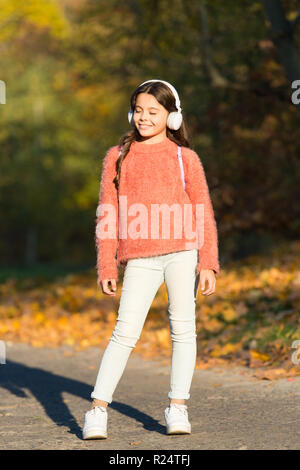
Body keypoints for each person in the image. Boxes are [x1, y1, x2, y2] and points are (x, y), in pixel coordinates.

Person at [82, 79, 220, 440]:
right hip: (139, 258)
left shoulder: (184, 157)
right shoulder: (119, 156)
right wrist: (107, 264)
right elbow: (107, 212)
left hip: (182, 253)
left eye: (153, 112)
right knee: (124, 333)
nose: (143, 118)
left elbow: (203, 210)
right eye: (138, 110)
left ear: (172, 117)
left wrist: (208, 261)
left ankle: (178, 406)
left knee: (183, 329)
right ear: (131, 112)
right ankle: (97, 409)